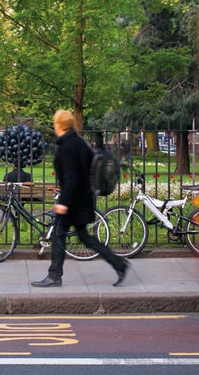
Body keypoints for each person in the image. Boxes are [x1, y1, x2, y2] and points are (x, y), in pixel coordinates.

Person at [31, 109, 129, 289]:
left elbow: (73, 177)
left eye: (54, 123)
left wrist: (63, 203)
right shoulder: (79, 142)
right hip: (83, 198)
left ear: (59, 125)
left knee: (60, 235)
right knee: (83, 236)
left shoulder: (68, 146)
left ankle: (54, 276)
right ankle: (119, 264)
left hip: (74, 202)